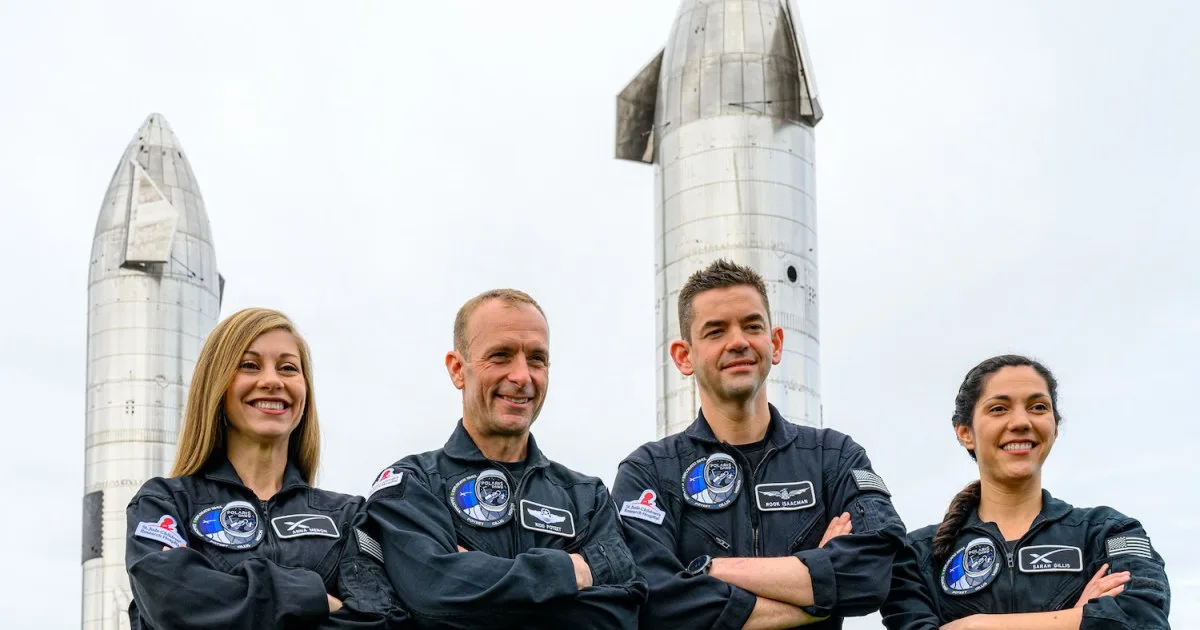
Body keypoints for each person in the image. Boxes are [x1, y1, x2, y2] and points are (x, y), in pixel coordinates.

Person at [611, 259, 907, 629]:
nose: (738, 342)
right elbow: (656, 600)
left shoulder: (835, 458)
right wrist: (815, 595)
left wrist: (711, 571)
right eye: (715, 331)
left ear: (775, 343)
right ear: (684, 357)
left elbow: (870, 573)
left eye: (752, 326)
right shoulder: (650, 472)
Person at [365, 289, 647, 629]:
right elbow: (434, 594)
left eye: (536, 359)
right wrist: (574, 570)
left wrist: (482, 586)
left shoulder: (586, 498)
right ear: (457, 369)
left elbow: (618, 618)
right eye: (500, 356)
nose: (522, 376)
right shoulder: (411, 485)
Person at [125, 308, 407, 629]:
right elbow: (171, 601)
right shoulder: (165, 503)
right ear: (216, 385)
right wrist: (311, 597)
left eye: (288, 368)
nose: (272, 381)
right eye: (249, 365)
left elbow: (382, 619)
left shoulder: (348, 516)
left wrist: (225, 601)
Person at [881, 354, 1171, 629]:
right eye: (998, 408)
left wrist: (974, 625)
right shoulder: (917, 555)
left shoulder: (1108, 532)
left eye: (1038, 407)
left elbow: (1141, 618)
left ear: (1055, 428)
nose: (1021, 422)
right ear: (965, 432)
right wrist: (1077, 619)